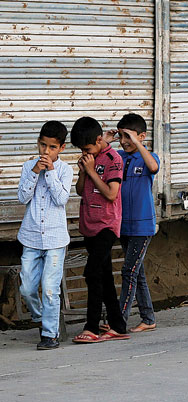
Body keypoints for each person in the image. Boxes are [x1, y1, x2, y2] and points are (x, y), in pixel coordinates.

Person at [70, 117, 130, 344]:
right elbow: (79, 190)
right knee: (103, 276)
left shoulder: (114, 160)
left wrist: (92, 170)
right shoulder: (90, 158)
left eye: (87, 148)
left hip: (107, 224)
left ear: (98, 140)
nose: (85, 152)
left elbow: (112, 193)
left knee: (92, 273)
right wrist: (84, 171)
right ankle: (117, 325)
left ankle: (92, 326)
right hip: (89, 224)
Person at [17, 121, 74, 350]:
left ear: (61, 148)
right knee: (27, 288)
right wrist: (35, 172)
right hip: (30, 237)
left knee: (50, 288)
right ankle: (41, 318)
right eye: (42, 145)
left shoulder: (64, 170)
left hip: (55, 239)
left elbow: (61, 199)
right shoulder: (28, 166)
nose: (45, 152)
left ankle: (50, 334)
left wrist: (49, 172)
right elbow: (22, 197)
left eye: (51, 147)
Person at [114, 113, 160, 333]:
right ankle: (148, 318)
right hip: (123, 225)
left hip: (142, 227)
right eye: (121, 135)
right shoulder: (119, 157)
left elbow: (153, 167)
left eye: (128, 136)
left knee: (128, 272)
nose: (124, 141)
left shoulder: (148, 157)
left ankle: (119, 320)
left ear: (141, 137)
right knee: (137, 271)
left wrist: (138, 143)